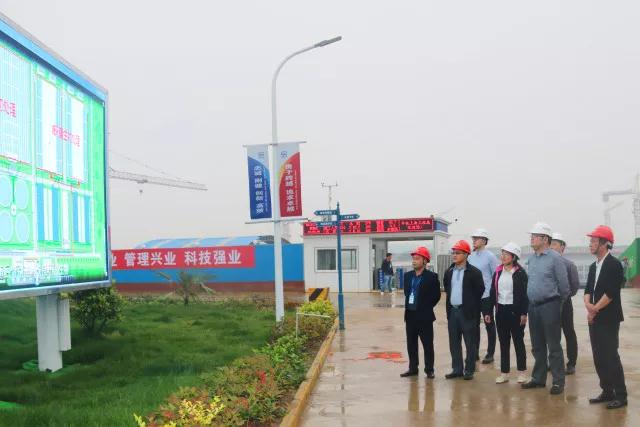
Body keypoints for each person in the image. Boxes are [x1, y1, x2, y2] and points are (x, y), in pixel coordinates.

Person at [521, 222, 570, 395]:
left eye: (534, 236)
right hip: (533, 307)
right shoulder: (531, 259)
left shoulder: (555, 258)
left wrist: (556, 305)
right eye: (531, 236)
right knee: (537, 345)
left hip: (550, 305)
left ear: (544, 239)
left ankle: (558, 382)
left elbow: (564, 287)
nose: (531, 239)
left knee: (553, 346)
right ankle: (538, 378)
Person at [584, 225, 627, 409]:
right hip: (594, 317)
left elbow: (611, 293)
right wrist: (589, 306)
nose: (590, 244)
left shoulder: (614, 265)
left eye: (594, 241)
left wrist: (594, 309)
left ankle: (621, 395)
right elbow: (588, 289)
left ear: (604, 243)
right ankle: (607, 391)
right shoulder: (593, 266)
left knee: (610, 356)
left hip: (609, 318)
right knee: (598, 356)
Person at [483, 242, 529, 384]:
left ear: (514, 257)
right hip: (501, 311)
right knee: (503, 343)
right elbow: (492, 293)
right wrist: (488, 311)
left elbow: (524, 295)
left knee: (518, 342)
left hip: (515, 312)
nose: (503, 257)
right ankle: (504, 373)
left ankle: (522, 372)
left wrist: (524, 313)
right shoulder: (498, 272)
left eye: (506, 254)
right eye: (502, 254)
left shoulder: (520, 273)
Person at [443, 240, 485, 381]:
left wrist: (471, 306)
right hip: (453, 312)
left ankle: (469, 369)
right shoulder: (449, 272)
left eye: (458, 253)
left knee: (470, 343)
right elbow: (447, 288)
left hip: (467, 313)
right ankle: (457, 369)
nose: (454, 255)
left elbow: (480, 290)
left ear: (466, 254)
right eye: (453, 253)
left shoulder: (474, 272)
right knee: (454, 342)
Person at [400, 247, 441, 378]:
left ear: (425, 261)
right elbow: (407, 293)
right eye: (413, 258)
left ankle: (429, 370)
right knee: (411, 344)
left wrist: (426, 307)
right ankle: (413, 368)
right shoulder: (407, 276)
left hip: (425, 317)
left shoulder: (432, 277)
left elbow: (436, 296)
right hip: (410, 316)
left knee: (428, 345)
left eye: (417, 259)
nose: (414, 261)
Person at [550, 233, 580, 375]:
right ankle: (553, 362)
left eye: (555, 244)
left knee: (569, 332)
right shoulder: (547, 264)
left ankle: (571, 363)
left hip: (565, 303)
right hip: (550, 304)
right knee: (551, 334)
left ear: (562, 247)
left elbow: (574, 286)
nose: (552, 247)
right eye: (550, 244)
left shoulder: (569, 265)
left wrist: (564, 296)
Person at [468, 228, 500, 364]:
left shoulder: (490, 257)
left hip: (486, 296)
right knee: (473, 325)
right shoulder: (470, 256)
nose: (474, 240)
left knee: (489, 324)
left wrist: (494, 296)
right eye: (473, 238)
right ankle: (474, 353)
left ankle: (490, 353)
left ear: (484, 241)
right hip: (473, 297)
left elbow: (496, 276)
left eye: (476, 238)